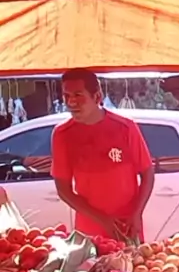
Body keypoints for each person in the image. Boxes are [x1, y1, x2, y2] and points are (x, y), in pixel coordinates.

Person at [51, 68, 154, 240]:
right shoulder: (62, 134)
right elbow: (64, 190)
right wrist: (103, 220)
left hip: (126, 227)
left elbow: (147, 173)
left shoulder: (126, 127)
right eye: (66, 96)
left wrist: (137, 213)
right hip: (89, 233)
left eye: (78, 95)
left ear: (97, 97)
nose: (71, 102)